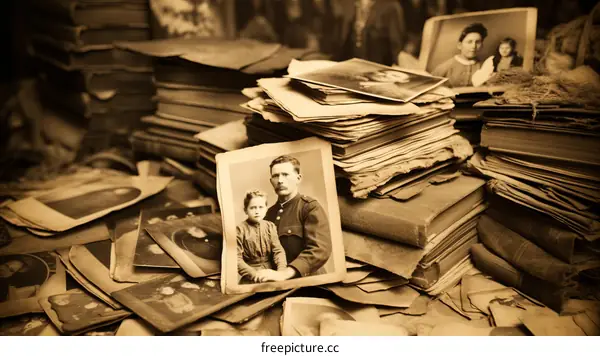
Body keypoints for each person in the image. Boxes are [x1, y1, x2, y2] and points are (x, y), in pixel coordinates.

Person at [258, 155, 332, 282]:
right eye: (275, 176)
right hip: (278, 284)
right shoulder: (268, 215)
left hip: (311, 282)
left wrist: (286, 273)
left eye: (285, 174)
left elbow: (320, 250)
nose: (280, 180)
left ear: (298, 178)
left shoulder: (309, 207)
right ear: (271, 181)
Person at [236, 190, 288, 284]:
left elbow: (278, 251)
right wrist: (254, 274)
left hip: (270, 273)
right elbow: (236, 259)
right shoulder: (239, 229)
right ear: (245, 210)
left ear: (266, 209)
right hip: (251, 276)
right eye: (253, 208)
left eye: (261, 207)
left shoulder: (270, 226)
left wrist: (281, 272)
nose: (257, 211)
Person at [431, 22, 488, 88]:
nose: (473, 46)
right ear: (460, 45)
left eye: (478, 42)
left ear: (482, 45)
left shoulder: (484, 66)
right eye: (469, 42)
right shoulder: (446, 67)